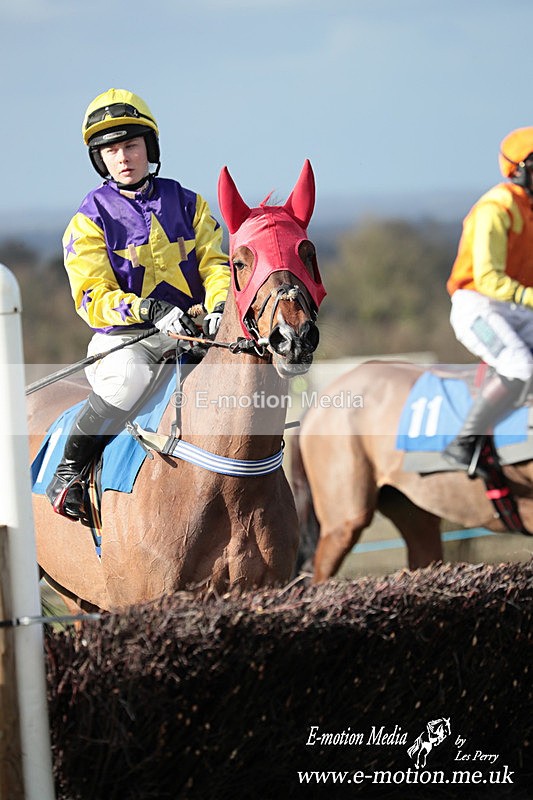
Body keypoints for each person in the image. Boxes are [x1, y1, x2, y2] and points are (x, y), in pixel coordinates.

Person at [46, 88, 230, 520]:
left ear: (150, 147)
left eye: (130, 145)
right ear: (100, 159)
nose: (123, 157)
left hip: (195, 332)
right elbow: (92, 296)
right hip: (128, 340)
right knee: (129, 379)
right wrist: (147, 310)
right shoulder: (89, 218)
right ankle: (68, 474)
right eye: (111, 150)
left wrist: (220, 303)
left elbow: (217, 263)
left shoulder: (189, 202)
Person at [443, 126, 533, 475]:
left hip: (515, 306)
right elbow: (489, 278)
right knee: (521, 368)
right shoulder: (496, 209)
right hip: (476, 305)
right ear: (520, 170)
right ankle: (464, 441)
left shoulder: (529, 207)